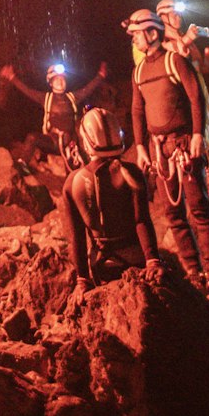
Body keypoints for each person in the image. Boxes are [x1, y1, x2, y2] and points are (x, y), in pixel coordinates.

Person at [124, 8, 209, 295]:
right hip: (160, 150)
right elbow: (136, 110)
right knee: (173, 213)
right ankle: (193, 272)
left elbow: (196, 98)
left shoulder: (175, 61)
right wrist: (141, 148)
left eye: (136, 34)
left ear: (152, 34)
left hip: (183, 144)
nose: (133, 40)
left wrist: (197, 136)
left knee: (199, 209)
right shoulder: (139, 71)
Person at [61, 107, 163, 295]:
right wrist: (153, 261)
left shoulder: (72, 183)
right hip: (136, 262)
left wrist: (82, 280)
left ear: (86, 142)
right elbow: (141, 220)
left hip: (102, 267)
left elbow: (78, 238)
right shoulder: (131, 173)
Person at [0, 59, 108, 169]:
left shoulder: (73, 97)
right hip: (52, 142)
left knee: (87, 143)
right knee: (32, 137)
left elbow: (88, 88)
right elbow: (27, 90)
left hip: (71, 143)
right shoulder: (46, 98)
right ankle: (22, 165)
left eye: (62, 79)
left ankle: (98, 166)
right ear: (51, 83)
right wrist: (12, 77)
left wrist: (101, 75)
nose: (60, 82)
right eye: (56, 80)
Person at [155, 0, 209, 74]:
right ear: (163, 18)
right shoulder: (160, 41)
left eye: (180, 15)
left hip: (196, 85)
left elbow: (200, 69)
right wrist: (188, 38)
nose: (179, 18)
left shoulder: (189, 42)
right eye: (175, 15)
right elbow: (171, 51)